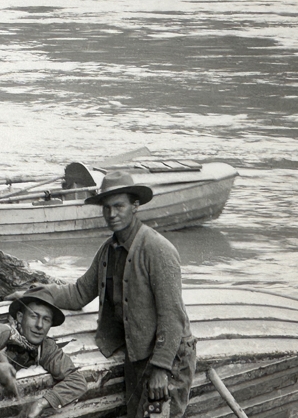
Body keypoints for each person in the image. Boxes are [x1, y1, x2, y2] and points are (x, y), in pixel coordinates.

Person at [13, 170, 196, 418]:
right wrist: (32, 294)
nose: (112, 214)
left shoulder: (158, 249)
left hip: (170, 359)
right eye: (106, 208)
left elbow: (172, 316)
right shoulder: (108, 250)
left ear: (135, 206)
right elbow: (79, 293)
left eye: (119, 206)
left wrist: (161, 369)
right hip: (137, 356)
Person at [0, 286, 87, 418]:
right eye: (34, 316)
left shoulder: (46, 347)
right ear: (20, 317)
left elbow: (77, 381)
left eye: (46, 319)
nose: (39, 325)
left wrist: (41, 403)